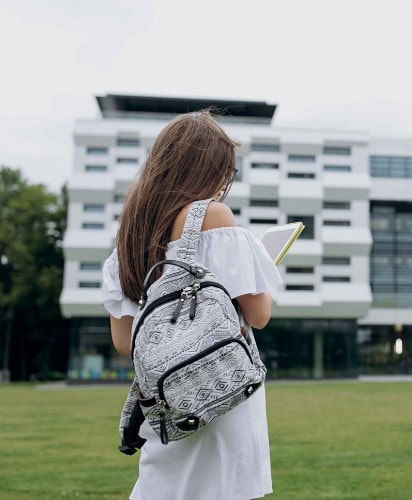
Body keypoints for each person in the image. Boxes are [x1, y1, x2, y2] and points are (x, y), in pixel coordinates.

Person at [101, 110, 283, 499]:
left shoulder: (128, 238)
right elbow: (259, 315)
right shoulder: (212, 217)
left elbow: (124, 342)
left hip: (166, 401)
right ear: (209, 170)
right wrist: (257, 268)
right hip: (218, 391)